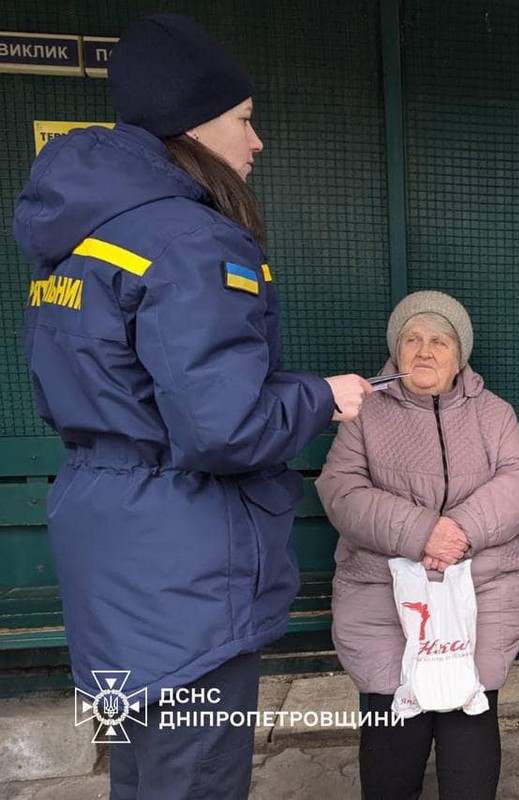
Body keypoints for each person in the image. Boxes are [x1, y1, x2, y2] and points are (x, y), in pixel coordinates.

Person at [12, 12, 371, 799]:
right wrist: (323, 395)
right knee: (197, 777)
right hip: (186, 567)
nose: (257, 142)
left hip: (114, 548)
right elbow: (225, 427)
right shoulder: (192, 239)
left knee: (147, 772)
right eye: (244, 119)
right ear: (193, 124)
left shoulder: (82, 237)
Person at [316, 290, 519, 800]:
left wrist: (456, 531)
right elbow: (341, 490)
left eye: (439, 341)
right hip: (383, 591)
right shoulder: (366, 414)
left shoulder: (493, 412)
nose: (424, 351)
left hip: (483, 588)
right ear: (395, 351)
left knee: (470, 723)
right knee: (393, 735)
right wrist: (420, 533)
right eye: (412, 339)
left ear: (459, 354)